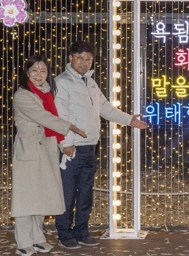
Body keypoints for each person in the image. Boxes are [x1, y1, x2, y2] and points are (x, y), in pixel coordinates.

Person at [54, 41, 149, 249]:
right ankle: (64, 234)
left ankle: (81, 232)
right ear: (70, 58)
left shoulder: (90, 83)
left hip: (90, 146)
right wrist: (66, 143)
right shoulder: (62, 82)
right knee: (67, 194)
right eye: (79, 58)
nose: (84, 63)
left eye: (88, 59)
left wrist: (128, 120)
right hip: (72, 148)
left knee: (85, 194)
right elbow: (60, 114)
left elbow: (105, 108)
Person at [11, 55, 87, 256]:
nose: (39, 75)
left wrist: (63, 143)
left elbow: (50, 119)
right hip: (28, 150)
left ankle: (38, 239)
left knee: (41, 197)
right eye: (34, 70)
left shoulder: (47, 94)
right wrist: (69, 126)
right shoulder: (23, 95)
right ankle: (24, 242)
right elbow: (43, 117)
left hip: (46, 149)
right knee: (26, 199)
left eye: (43, 71)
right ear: (27, 73)